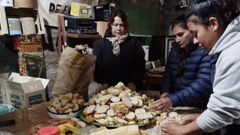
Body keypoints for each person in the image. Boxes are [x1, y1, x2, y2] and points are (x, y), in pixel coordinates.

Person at [161, 0, 240, 134]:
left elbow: (223, 111)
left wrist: (182, 130)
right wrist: (203, 118)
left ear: (213, 24)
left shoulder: (233, 54)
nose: (196, 41)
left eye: (195, 33)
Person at [152, 15, 212, 112]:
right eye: (174, 36)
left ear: (192, 31)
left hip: (198, 107)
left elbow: (203, 84)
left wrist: (172, 99)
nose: (177, 40)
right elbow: (168, 75)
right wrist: (165, 92)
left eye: (180, 34)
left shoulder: (204, 48)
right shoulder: (176, 48)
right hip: (176, 105)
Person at [92, 9, 145, 91]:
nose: (118, 28)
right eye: (115, 25)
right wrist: (104, 83)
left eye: (121, 25)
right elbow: (97, 68)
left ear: (125, 26)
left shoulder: (135, 44)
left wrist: (133, 83)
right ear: (110, 25)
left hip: (129, 90)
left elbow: (140, 66)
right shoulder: (100, 44)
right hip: (106, 90)